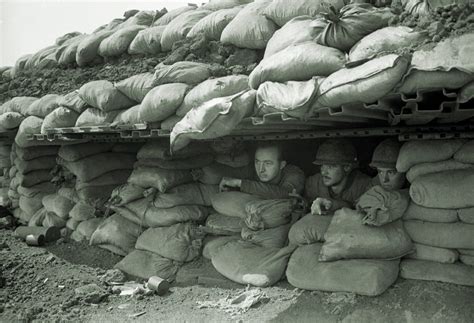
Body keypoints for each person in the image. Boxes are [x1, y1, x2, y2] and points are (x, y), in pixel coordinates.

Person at [288, 139, 373, 245]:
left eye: (331, 166)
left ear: (347, 167)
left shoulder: (364, 185)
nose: (324, 172)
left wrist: (332, 204)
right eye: (322, 166)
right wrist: (302, 205)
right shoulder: (314, 183)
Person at [218, 142, 305, 199]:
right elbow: (231, 174)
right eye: (257, 162)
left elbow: (285, 194)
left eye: (268, 163)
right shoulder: (252, 169)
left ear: (282, 165)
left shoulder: (295, 174)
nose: (261, 169)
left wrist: (241, 183)